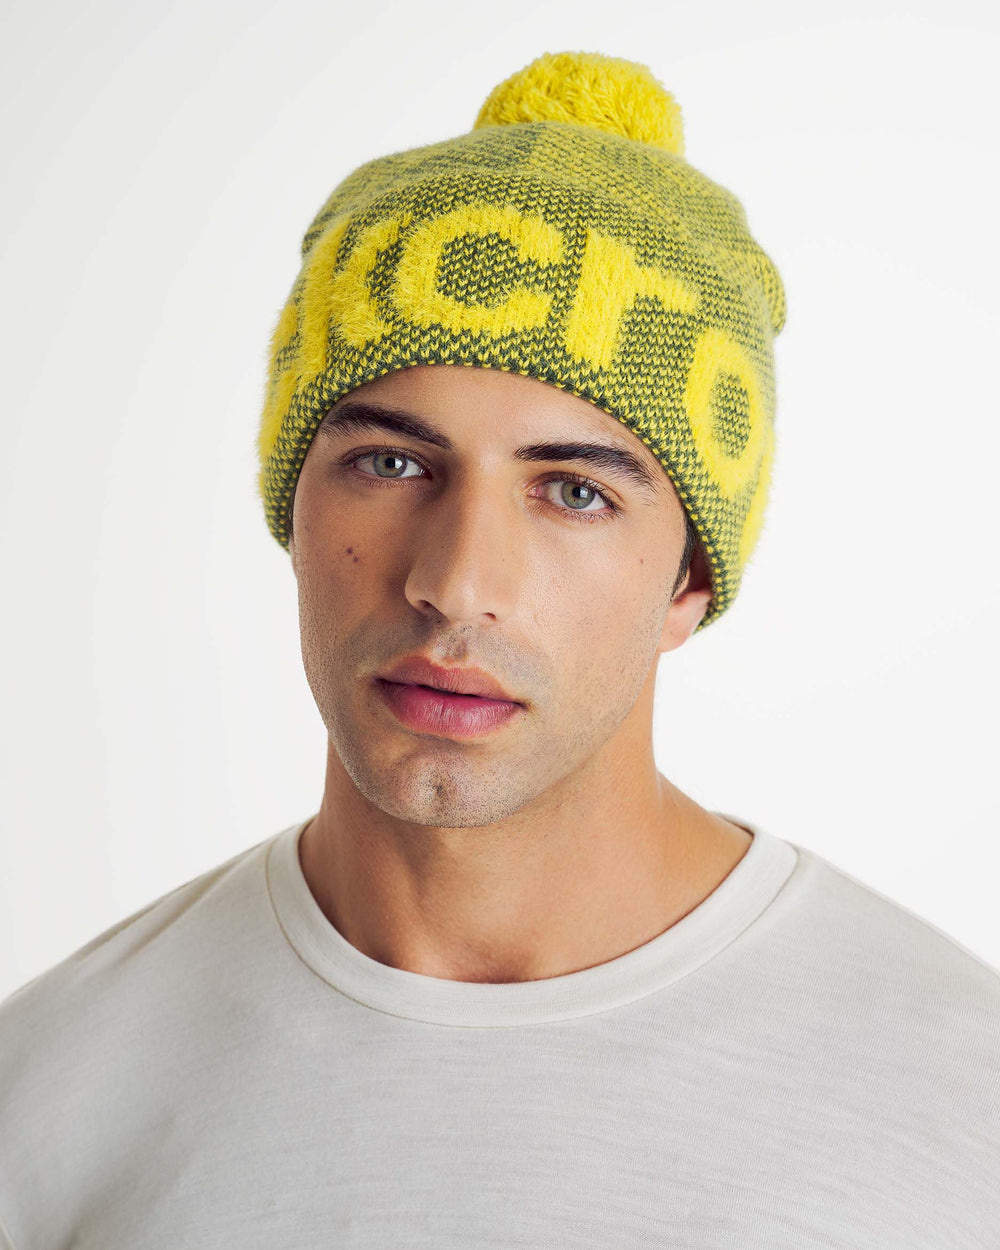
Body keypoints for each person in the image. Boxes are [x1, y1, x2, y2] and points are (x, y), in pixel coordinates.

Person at [1, 50, 997, 1248]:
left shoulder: (958, 1105)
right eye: (390, 462)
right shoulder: (48, 1097)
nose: (455, 582)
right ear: (293, 510)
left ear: (688, 579)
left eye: (574, 491)